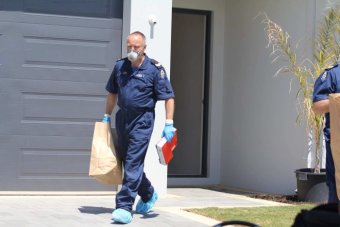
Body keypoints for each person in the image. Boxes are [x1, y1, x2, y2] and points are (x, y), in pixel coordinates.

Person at [102, 31, 176, 224]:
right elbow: (112, 93)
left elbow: (168, 97)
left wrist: (169, 123)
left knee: (133, 162)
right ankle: (148, 193)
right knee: (127, 162)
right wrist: (106, 116)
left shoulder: (154, 69)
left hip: (143, 121)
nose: (132, 50)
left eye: (136, 47)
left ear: (144, 48)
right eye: (129, 46)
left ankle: (124, 206)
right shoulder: (120, 66)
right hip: (123, 118)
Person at [312, 64, 340, 203]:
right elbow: (317, 106)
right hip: (337, 144)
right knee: (337, 190)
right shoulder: (333, 74)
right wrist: (337, 101)